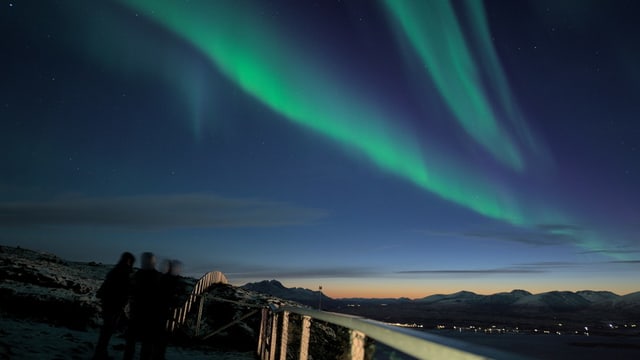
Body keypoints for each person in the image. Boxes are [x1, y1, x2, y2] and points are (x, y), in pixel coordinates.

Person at [92, 252, 135, 360]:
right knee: (107, 331)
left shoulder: (116, 271)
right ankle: (100, 354)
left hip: (109, 304)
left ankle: (100, 352)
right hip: (114, 305)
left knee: (106, 331)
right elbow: (124, 290)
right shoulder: (123, 272)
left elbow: (106, 287)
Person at [123, 252, 161, 360]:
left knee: (136, 342)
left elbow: (130, 290)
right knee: (144, 343)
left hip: (140, 313)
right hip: (146, 314)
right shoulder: (155, 276)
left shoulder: (138, 275)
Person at [156, 260, 185, 359]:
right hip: (163, 310)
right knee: (161, 335)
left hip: (164, 310)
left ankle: (158, 354)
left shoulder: (164, 278)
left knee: (161, 335)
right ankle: (158, 355)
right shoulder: (169, 279)